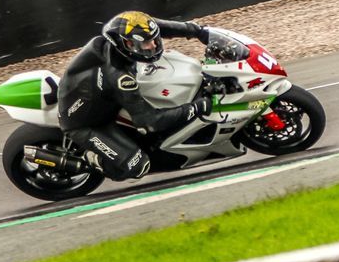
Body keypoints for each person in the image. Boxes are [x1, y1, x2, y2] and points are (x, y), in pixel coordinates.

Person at [57, 10, 218, 180]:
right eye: (145, 44)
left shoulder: (114, 41)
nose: (153, 46)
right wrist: (198, 107)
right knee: (136, 165)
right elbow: (151, 122)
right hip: (86, 124)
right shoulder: (120, 78)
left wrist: (198, 31)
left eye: (154, 40)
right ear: (125, 44)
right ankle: (90, 159)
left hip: (89, 92)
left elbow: (156, 26)